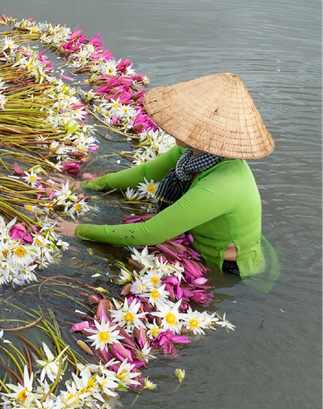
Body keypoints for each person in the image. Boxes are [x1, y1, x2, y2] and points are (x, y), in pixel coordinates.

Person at [56, 72, 275, 278]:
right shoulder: (192, 152)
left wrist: (79, 230)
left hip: (226, 265)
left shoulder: (225, 184)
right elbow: (145, 173)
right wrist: (88, 186)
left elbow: (150, 233)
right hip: (196, 238)